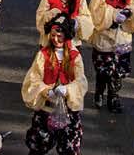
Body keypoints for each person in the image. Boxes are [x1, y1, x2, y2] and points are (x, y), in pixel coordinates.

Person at [21, 15, 87, 155]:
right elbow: (33, 78)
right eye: (53, 36)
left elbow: (81, 82)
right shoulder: (43, 54)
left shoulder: (75, 56)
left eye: (59, 36)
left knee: (69, 149)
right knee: (37, 147)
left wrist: (67, 89)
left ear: (66, 36)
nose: (55, 39)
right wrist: (45, 91)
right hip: (46, 109)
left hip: (68, 111)